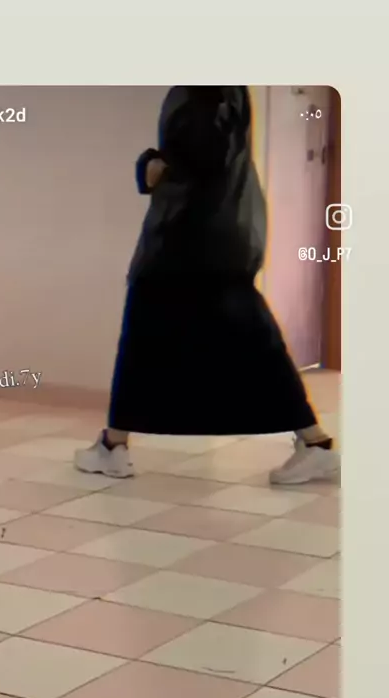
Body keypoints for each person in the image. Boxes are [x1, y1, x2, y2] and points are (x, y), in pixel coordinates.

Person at [74, 86, 340, 486]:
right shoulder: (223, 87)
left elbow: (200, 155)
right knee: (244, 340)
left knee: (149, 337)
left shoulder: (202, 89)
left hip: (188, 239)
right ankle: (314, 442)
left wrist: (155, 165)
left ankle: (113, 447)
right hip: (218, 235)